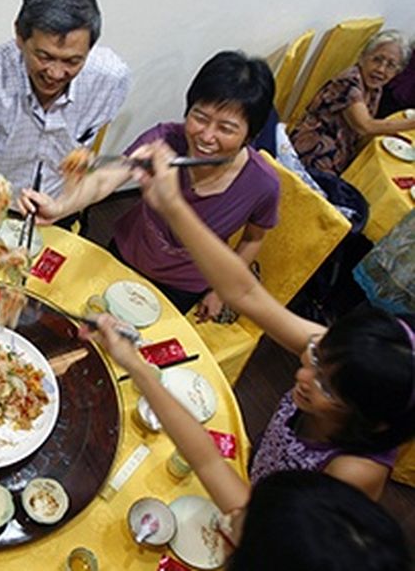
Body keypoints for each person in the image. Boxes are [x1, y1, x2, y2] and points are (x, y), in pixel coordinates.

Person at [108, 141, 415, 501]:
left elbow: (250, 514)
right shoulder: (340, 359)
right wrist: (174, 207)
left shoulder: (353, 472)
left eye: (327, 387)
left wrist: (140, 370)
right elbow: (246, 294)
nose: (303, 374)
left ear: (371, 419)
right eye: (315, 357)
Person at [22, 51, 279, 318]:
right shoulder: (164, 140)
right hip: (124, 255)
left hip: (183, 286)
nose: (206, 136)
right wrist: (59, 206)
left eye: (225, 128)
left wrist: (221, 290)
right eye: (200, 117)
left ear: (251, 135)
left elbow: (252, 238)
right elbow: (107, 178)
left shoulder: (263, 184)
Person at [0, 0, 130, 230]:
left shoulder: (110, 78)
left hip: (58, 207)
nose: (56, 73)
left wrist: (69, 201)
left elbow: (89, 151)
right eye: (44, 56)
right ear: (19, 37)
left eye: (72, 61)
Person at [290, 29, 415, 177]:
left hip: (341, 155)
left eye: (391, 65)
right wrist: (410, 124)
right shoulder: (348, 82)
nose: (381, 69)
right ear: (362, 57)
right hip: (311, 155)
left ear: (397, 71)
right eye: (377, 59)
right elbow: (364, 126)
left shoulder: (375, 88)